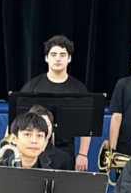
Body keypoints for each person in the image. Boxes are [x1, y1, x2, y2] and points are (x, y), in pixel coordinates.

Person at [21, 35, 92, 171]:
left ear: (69, 58)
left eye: (62, 54)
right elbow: (19, 120)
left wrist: (83, 154)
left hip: (66, 151)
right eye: (53, 54)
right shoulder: (32, 86)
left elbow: (86, 126)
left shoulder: (79, 88)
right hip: (35, 148)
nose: (58, 58)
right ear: (46, 58)